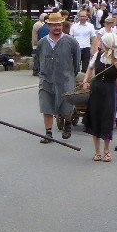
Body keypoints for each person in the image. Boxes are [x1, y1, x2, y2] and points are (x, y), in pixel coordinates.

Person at [33, 11, 81, 143]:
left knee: (66, 106)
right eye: (54, 25)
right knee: (46, 106)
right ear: (49, 26)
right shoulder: (42, 42)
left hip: (65, 79)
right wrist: (41, 72)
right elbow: (38, 60)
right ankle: (48, 133)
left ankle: (67, 122)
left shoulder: (71, 42)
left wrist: (71, 75)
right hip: (46, 79)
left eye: (59, 25)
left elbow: (77, 62)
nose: (57, 28)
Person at [81, 32, 117, 162]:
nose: (101, 44)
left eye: (103, 43)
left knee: (107, 118)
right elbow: (90, 68)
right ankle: (97, 151)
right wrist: (85, 81)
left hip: (109, 90)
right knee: (95, 118)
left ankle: (106, 150)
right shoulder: (98, 55)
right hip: (96, 88)